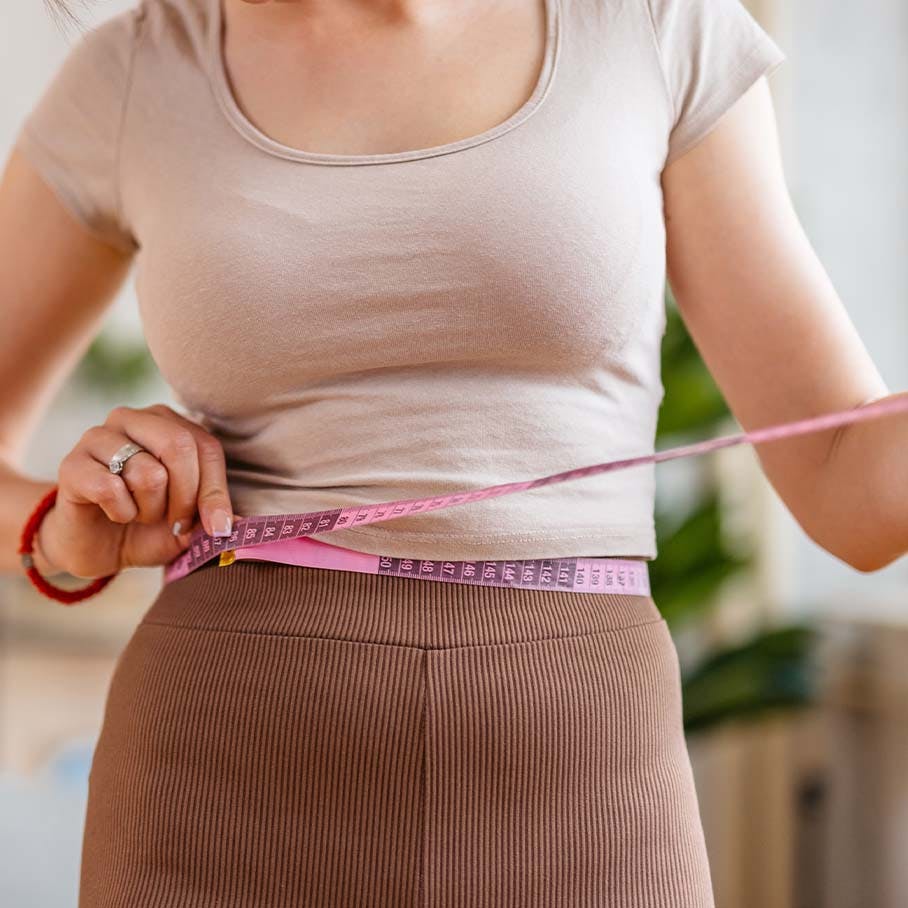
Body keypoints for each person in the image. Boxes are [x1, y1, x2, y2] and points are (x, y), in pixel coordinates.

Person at [1, 0, 904, 905]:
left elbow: (845, 487)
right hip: (221, 758)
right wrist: (57, 527)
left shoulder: (654, 26)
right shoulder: (141, 69)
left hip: (581, 757)